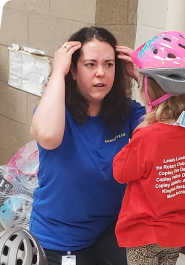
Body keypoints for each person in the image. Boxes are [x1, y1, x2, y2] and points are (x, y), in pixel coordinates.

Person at [29, 26, 146, 265]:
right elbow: (49, 136)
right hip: (60, 237)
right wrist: (57, 72)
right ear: (73, 69)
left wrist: (144, 82)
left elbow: (162, 137)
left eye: (109, 64)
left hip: (109, 229)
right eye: (90, 64)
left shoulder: (127, 111)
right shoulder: (55, 111)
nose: (101, 73)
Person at [112, 31, 185, 265]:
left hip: (144, 233)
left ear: (148, 90)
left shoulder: (147, 136)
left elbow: (120, 172)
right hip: (177, 232)